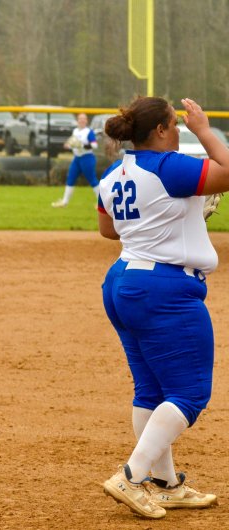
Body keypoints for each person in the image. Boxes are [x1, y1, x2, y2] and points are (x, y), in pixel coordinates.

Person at [98, 96, 228, 519]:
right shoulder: (169, 166)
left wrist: (171, 218)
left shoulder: (114, 173)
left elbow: (108, 230)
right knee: (190, 393)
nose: (179, 132)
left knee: (151, 390)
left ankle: (166, 485)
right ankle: (131, 476)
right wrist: (206, 131)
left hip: (122, 280)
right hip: (163, 288)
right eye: (176, 125)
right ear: (159, 130)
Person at [52, 113, 99, 207]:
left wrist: (82, 146)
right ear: (77, 120)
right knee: (70, 178)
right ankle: (64, 202)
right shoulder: (75, 131)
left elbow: (94, 145)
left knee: (92, 180)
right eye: (80, 119)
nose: (81, 121)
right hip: (77, 158)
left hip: (87, 158)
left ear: (86, 121)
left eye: (84, 119)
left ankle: (101, 203)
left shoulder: (88, 132)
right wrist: (68, 145)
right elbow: (73, 143)